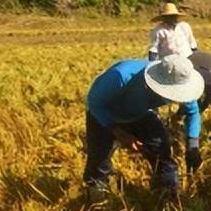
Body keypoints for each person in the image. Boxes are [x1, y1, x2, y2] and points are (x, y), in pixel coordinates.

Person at [84, 54, 204, 201]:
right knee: (99, 162)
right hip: (106, 115)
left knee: (162, 153)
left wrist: (193, 145)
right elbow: (94, 101)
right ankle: (97, 199)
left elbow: (192, 111)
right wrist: (118, 131)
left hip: (141, 114)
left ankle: (168, 198)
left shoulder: (181, 80)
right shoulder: (121, 76)